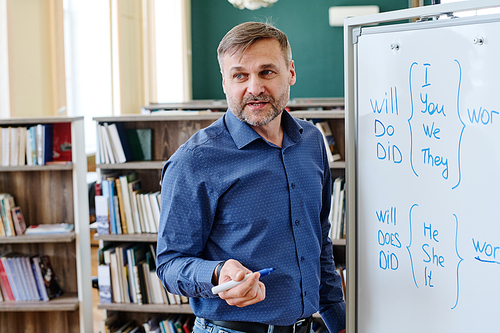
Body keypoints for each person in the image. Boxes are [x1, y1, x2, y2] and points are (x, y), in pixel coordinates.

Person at [156, 21, 346, 333]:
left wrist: (338, 321)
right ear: (225, 83)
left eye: (267, 72)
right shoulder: (195, 161)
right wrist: (218, 272)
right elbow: (169, 265)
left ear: (291, 73)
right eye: (240, 75)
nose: (254, 88)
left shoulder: (312, 141)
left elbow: (318, 240)